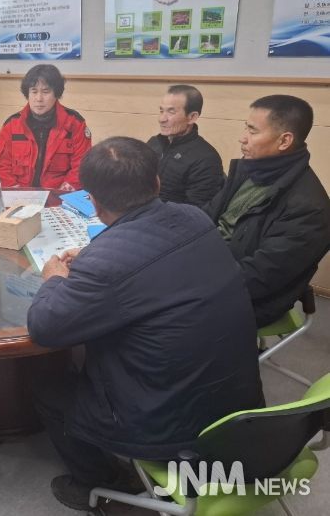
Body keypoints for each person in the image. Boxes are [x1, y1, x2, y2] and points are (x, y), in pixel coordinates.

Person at [27, 137, 263, 511]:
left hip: (172, 430)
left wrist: (54, 278)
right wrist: (96, 253)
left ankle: (101, 484)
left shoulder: (106, 263)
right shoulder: (196, 219)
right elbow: (151, 260)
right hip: (238, 408)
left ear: (93, 201)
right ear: (156, 182)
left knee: (47, 386)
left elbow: (44, 327)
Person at [203, 95, 330, 327]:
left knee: (156, 315)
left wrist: (192, 280)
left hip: (246, 299)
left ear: (284, 141)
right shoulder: (250, 171)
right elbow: (206, 217)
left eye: (252, 131)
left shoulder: (310, 208)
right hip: (209, 268)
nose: (243, 138)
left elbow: (259, 277)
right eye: (246, 127)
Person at [0, 64, 92, 190]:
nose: (39, 98)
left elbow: (82, 165)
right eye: (34, 91)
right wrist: (16, 190)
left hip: (59, 195)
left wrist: (65, 189)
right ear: (27, 94)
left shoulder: (75, 124)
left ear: (56, 94)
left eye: (45, 92)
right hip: (19, 195)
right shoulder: (12, 125)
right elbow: (1, 165)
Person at [146, 85, 224, 206]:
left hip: (170, 216)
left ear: (192, 117)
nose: (161, 119)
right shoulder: (154, 143)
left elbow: (196, 211)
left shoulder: (206, 158)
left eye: (171, 112)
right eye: (161, 111)